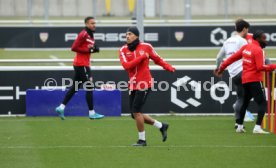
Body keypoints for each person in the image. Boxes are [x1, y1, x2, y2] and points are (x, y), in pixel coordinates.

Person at [119, 27, 175, 146]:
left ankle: (142, 140)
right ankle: (161, 126)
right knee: (134, 115)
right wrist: (141, 57)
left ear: (136, 36)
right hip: (132, 84)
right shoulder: (123, 50)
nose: (127, 36)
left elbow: (158, 59)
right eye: (126, 34)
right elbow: (126, 66)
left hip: (145, 83)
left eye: (130, 34)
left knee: (136, 111)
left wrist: (168, 67)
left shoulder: (146, 47)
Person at [214, 30, 276, 134]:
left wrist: (220, 69)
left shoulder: (246, 47)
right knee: (262, 103)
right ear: (257, 39)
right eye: (263, 38)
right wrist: (273, 66)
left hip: (245, 79)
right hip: (255, 79)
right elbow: (260, 67)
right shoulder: (259, 50)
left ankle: (239, 126)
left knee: (245, 101)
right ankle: (257, 128)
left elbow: (231, 59)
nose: (265, 40)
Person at [55, 17, 104, 120]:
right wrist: (89, 50)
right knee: (90, 87)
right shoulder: (84, 34)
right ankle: (91, 113)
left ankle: (61, 107)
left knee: (75, 88)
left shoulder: (90, 34)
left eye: (95, 23)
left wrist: (94, 50)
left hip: (80, 64)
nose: (94, 25)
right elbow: (74, 48)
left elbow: (88, 49)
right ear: (86, 24)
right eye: (91, 23)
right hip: (82, 65)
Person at [215, 19, 254, 127]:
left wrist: (218, 68)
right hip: (243, 72)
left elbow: (219, 57)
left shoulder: (227, 41)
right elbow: (249, 55)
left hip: (233, 74)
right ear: (245, 29)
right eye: (247, 29)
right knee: (253, 94)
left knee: (241, 97)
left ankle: (238, 122)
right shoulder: (242, 41)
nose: (248, 31)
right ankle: (243, 114)